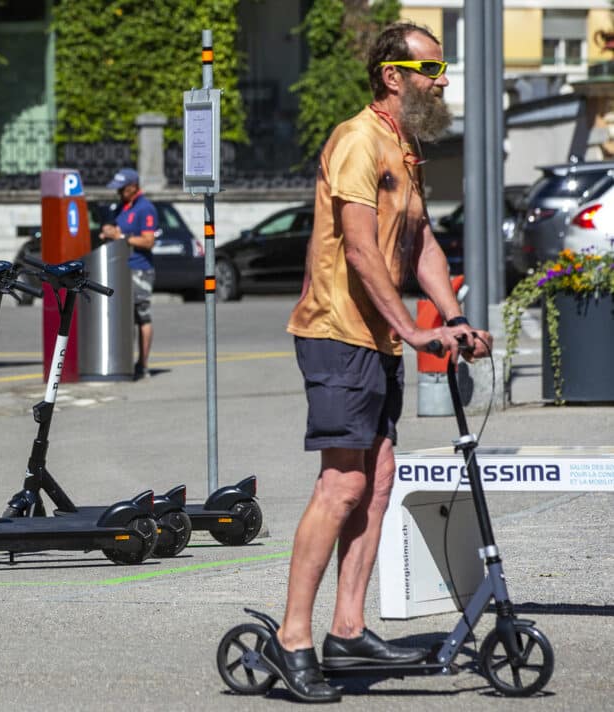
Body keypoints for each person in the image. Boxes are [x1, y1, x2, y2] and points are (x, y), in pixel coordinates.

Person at [264, 23, 492, 702]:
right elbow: (361, 249)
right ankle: (292, 638)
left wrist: (448, 319)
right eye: (431, 68)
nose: (442, 79)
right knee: (341, 487)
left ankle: (347, 626)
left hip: (378, 339)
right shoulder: (357, 140)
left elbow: (420, 245)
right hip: (337, 331)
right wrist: (410, 329)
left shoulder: (405, 146)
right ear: (392, 75)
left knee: (380, 477)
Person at [101, 168, 158, 380]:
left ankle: (143, 364)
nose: (118, 193)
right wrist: (108, 231)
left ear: (133, 186)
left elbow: (148, 241)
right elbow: (115, 230)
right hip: (121, 268)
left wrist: (121, 236)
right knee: (124, 317)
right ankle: (124, 361)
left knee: (141, 315)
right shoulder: (123, 207)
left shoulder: (146, 208)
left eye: (122, 189)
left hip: (139, 269)